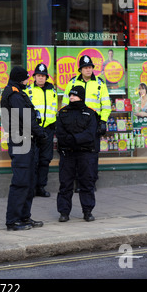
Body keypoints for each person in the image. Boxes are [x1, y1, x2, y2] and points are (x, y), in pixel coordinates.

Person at [0, 66, 48, 231]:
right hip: (21, 141)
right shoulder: (14, 94)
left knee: (28, 181)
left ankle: (24, 217)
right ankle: (13, 221)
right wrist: (41, 133)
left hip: (26, 141)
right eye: (27, 78)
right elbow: (26, 118)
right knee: (20, 182)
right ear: (20, 79)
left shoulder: (18, 92)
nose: (29, 80)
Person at [62, 55, 111, 190]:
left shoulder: (100, 83)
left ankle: (91, 181)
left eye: (90, 67)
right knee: (77, 153)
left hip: (93, 123)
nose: (88, 70)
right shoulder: (72, 83)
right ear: (80, 69)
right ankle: (78, 182)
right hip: (75, 122)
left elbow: (106, 104)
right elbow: (65, 104)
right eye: (85, 68)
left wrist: (103, 121)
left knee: (92, 154)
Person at [56, 85, 99, 222]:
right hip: (67, 153)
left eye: (74, 95)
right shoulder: (63, 112)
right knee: (65, 184)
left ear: (81, 97)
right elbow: (61, 133)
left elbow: (90, 134)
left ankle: (87, 211)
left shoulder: (90, 113)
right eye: (70, 95)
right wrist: (73, 141)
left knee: (86, 183)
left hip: (85, 154)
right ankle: (64, 212)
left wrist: (74, 139)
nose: (72, 97)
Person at [24, 63, 57, 198]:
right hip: (33, 131)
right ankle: (31, 188)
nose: (41, 78)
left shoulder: (52, 91)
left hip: (48, 130)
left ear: (46, 77)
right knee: (33, 160)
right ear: (34, 77)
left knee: (45, 159)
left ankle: (41, 187)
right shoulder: (28, 90)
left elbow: (53, 109)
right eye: (38, 76)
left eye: (43, 76)